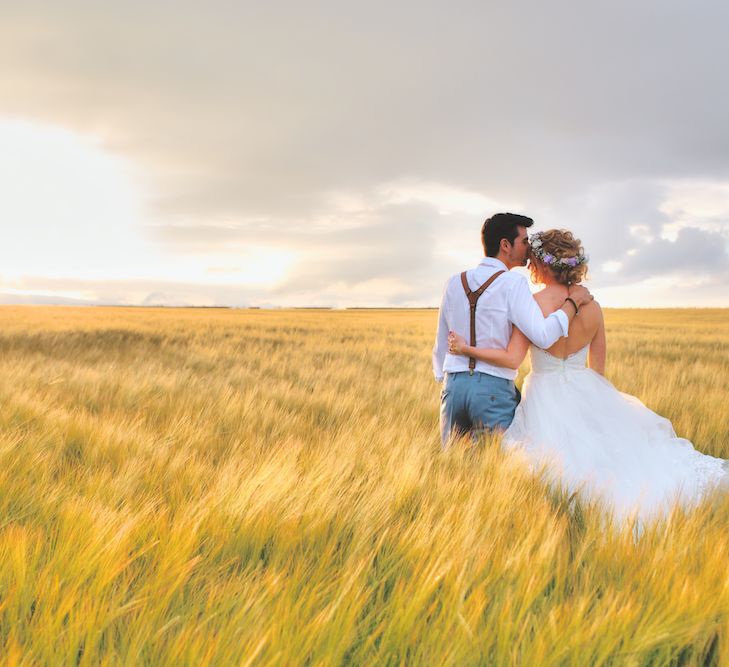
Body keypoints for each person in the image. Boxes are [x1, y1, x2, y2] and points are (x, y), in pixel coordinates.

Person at [448, 229, 729, 524]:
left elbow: (512, 357)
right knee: (608, 455)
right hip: (587, 388)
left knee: (551, 465)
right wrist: (593, 405)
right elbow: (599, 369)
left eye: (533, 260)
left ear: (543, 265)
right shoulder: (593, 307)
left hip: (544, 395)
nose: (530, 266)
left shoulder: (533, 305)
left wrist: (467, 349)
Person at [433, 213, 593, 446]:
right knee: (495, 470)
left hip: (453, 387)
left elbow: (441, 341)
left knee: (454, 471)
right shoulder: (513, 284)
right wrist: (572, 304)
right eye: (524, 242)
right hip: (492, 391)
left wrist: (447, 380)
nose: (529, 249)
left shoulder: (454, 282)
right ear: (505, 245)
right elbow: (544, 335)